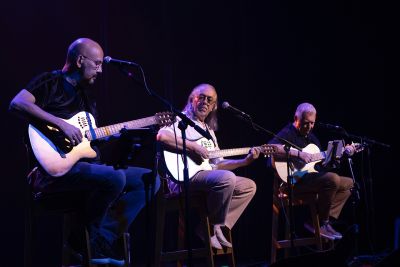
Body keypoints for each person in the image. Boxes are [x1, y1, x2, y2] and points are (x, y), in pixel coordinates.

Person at [9, 38, 160, 265]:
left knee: (150, 180)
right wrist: (61, 124)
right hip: (50, 175)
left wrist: (111, 137)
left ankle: (99, 239)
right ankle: (85, 240)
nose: (100, 70)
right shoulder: (50, 81)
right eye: (97, 63)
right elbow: (17, 103)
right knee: (115, 177)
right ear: (80, 60)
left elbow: (88, 146)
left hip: (84, 167)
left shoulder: (87, 97)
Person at [156, 83, 260, 249]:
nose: (204, 102)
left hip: (205, 177)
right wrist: (193, 147)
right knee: (226, 180)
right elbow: (162, 136)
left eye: (209, 100)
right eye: (201, 97)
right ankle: (211, 227)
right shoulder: (180, 119)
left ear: (213, 107)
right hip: (182, 179)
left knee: (248, 186)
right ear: (192, 100)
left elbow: (217, 165)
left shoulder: (209, 131)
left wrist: (244, 162)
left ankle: (217, 225)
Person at [268, 102, 355, 240]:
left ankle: (320, 221)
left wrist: (336, 158)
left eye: (312, 123)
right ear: (296, 118)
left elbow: (321, 169)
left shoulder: (312, 139)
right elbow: (271, 152)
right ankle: (322, 223)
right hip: (293, 181)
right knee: (332, 179)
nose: (309, 127)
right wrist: (298, 154)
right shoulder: (287, 133)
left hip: (310, 180)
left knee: (349, 183)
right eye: (305, 123)